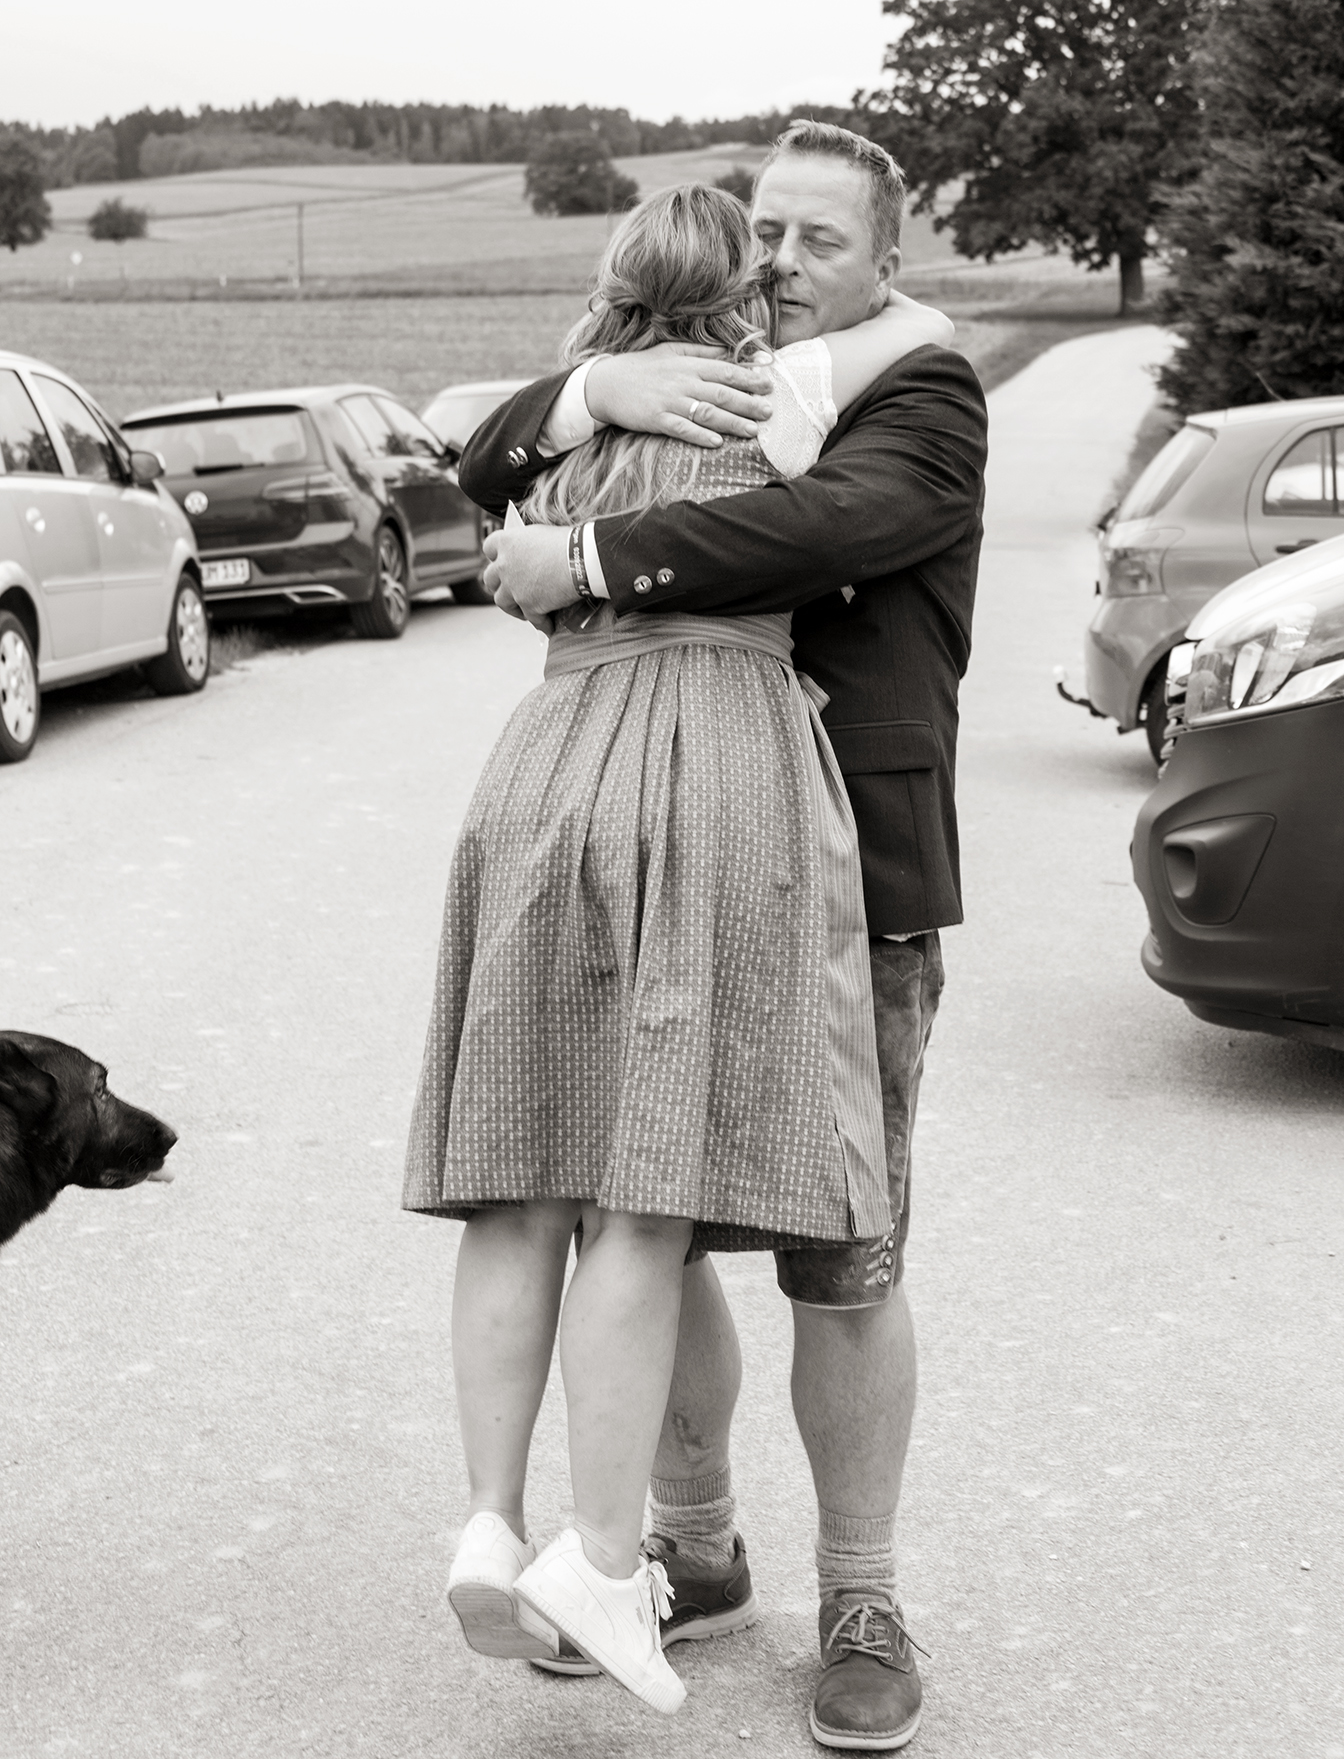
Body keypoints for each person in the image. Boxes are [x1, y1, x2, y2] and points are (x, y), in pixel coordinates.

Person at [461, 120, 987, 1751]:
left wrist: (583, 557)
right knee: (652, 1220)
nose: (780, 261)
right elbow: (483, 456)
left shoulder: (920, 392)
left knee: (846, 1255)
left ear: (887, 262)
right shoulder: (674, 384)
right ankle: (690, 1547)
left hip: (853, 877)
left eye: (821, 239)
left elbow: (815, 535)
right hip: (665, 855)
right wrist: (588, 393)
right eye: (766, 231)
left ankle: (863, 1597)